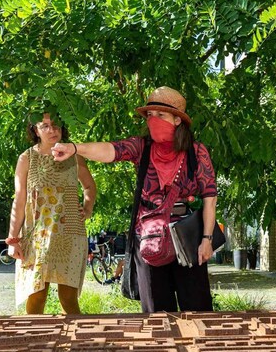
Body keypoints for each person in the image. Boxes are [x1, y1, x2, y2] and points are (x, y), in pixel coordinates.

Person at [51, 86, 217, 312]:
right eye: (150, 115)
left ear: (177, 120)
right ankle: (162, 348)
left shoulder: (196, 152)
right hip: (148, 239)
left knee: (197, 309)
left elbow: (209, 197)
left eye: (161, 114)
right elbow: (110, 150)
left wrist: (207, 238)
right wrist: (75, 148)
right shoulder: (141, 147)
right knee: (157, 314)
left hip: (187, 238)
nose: (153, 119)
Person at [5, 112, 96, 314]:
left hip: (70, 234)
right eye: (44, 126)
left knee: (68, 299)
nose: (51, 130)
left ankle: (77, 342)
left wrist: (87, 209)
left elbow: (89, 186)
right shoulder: (26, 158)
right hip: (37, 235)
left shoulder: (75, 156)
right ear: (35, 130)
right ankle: (36, 341)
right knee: (36, 297)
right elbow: (19, 200)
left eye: (55, 125)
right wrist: (13, 239)